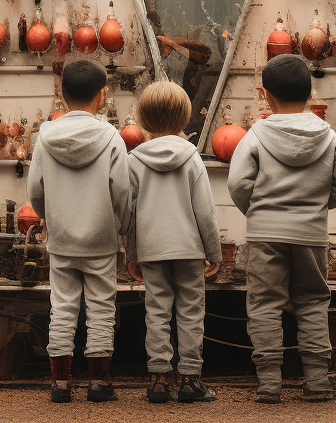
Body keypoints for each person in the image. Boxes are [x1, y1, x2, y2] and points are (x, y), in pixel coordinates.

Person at [227, 53, 336, 403]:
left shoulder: (256, 134)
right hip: (310, 233)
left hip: (265, 232)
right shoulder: (328, 136)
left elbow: (238, 183)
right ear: (310, 92)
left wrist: (258, 212)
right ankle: (316, 381)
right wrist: (313, 208)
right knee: (313, 301)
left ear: (266, 95)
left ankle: (269, 383)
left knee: (265, 304)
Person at [29, 58, 131, 403]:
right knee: (102, 308)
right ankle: (99, 382)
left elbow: (36, 191)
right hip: (101, 240)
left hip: (62, 240)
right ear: (102, 96)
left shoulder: (44, 139)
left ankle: (60, 384)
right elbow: (122, 192)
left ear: (62, 92)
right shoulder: (112, 139)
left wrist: (51, 218)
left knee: (62, 306)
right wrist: (121, 228)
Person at [125, 82, 222, 404]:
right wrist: (213, 251)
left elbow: (131, 213)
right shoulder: (192, 158)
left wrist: (133, 254)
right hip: (189, 249)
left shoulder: (134, 160)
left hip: (152, 249)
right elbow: (204, 211)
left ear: (142, 118)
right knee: (191, 312)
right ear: (184, 118)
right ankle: (191, 380)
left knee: (157, 311)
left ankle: (158, 380)